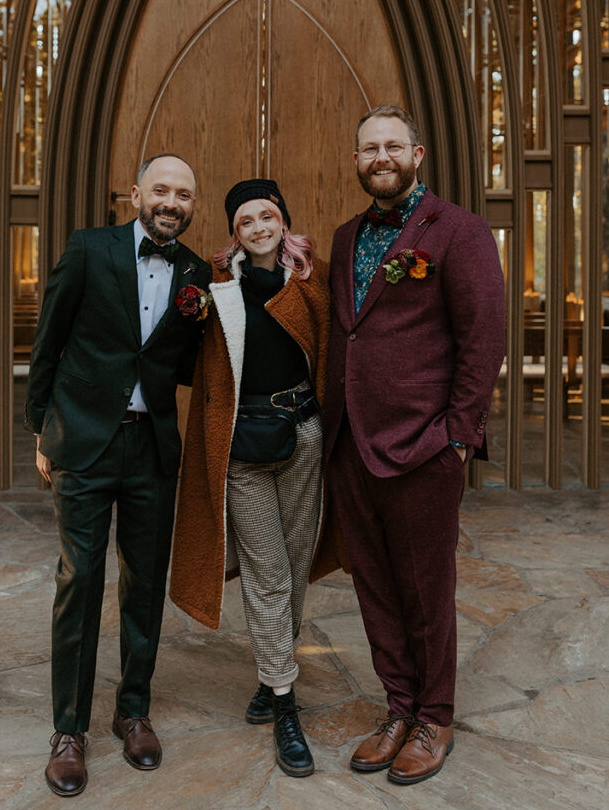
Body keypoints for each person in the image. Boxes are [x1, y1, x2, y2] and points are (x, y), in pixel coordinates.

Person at [322, 105, 505, 786]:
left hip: (423, 445)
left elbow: (483, 340)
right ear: (356, 160)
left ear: (416, 154)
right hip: (350, 445)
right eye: (368, 147)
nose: (380, 157)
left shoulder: (457, 232)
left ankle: (435, 716)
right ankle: (397, 708)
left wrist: (456, 436)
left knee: (426, 590)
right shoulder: (344, 238)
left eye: (391, 146)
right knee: (373, 586)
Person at [25, 154, 211, 797]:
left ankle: (133, 711)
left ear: (192, 205)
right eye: (161, 189)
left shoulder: (196, 274)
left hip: (151, 449)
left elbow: (191, 362)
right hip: (82, 440)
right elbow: (49, 339)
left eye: (183, 194)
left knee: (143, 583)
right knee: (80, 580)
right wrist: (40, 427)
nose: (171, 202)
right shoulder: (88, 249)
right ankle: (69, 731)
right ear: (136, 193)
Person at [169, 178, 344, 778]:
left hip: (301, 438)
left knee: (294, 569)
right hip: (241, 447)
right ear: (235, 233)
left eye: (267, 215)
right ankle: (288, 706)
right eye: (246, 221)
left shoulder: (310, 286)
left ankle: (272, 676)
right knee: (267, 573)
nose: (259, 227)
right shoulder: (217, 291)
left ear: (282, 222)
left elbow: (334, 359)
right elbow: (187, 358)